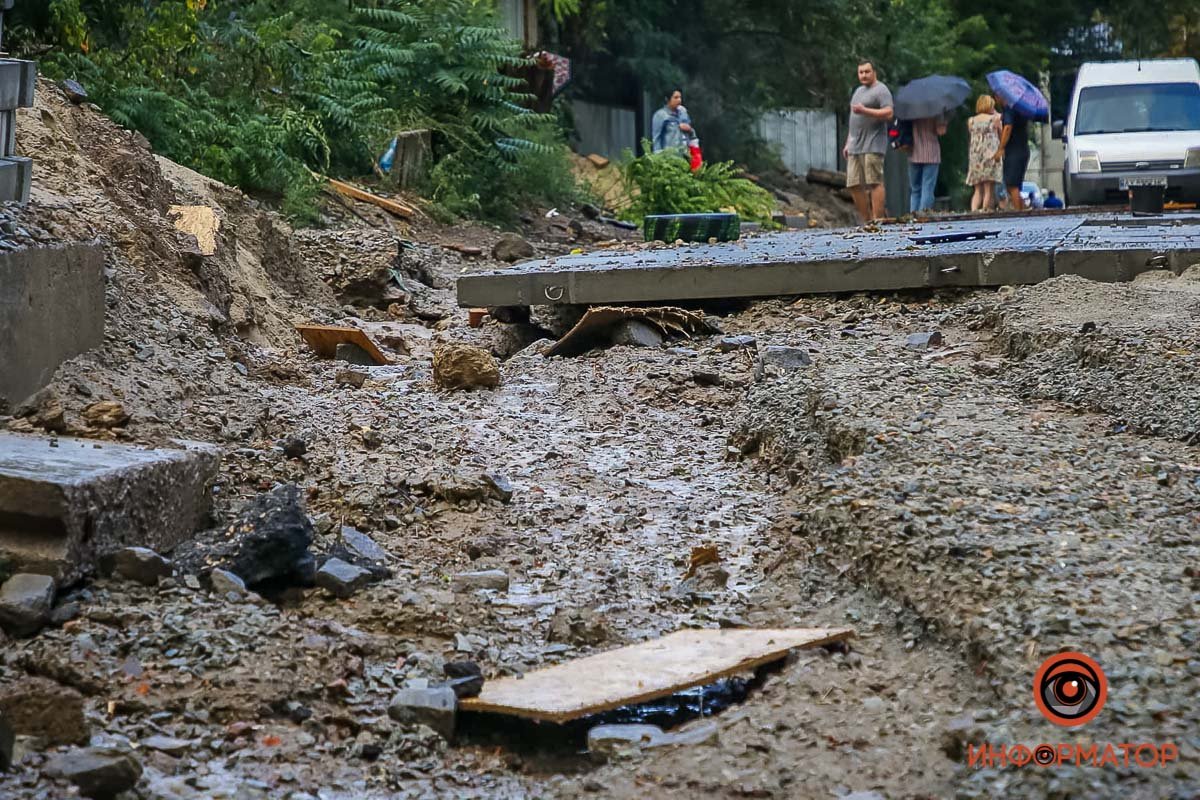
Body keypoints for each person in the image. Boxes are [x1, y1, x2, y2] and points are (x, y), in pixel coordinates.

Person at [843, 59, 894, 222]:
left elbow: (888, 113)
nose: (864, 75)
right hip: (855, 145)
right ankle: (866, 220)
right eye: (861, 72)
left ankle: (877, 219)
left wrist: (865, 110)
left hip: (873, 144)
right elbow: (853, 120)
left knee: (874, 182)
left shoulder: (881, 90)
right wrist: (848, 142)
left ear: (874, 72)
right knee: (853, 184)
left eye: (867, 72)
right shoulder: (858, 91)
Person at [965, 95, 1002, 212]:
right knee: (988, 188)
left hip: (975, 156)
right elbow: (1001, 135)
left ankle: (973, 211)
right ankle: (985, 211)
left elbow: (972, 137)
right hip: (990, 155)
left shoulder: (971, 121)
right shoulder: (995, 119)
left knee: (977, 189)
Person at [994, 93, 1031, 211]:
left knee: (1012, 185)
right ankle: (1023, 210)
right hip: (1022, 149)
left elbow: (1008, 127)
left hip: (1014, 151)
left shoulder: (1009, 109)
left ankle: (1019, 213)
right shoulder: (1020, 109)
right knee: (1014, 186)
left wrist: (1000, 148)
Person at [908, 116, 947, 213]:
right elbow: (941, 131)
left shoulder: (910, 110)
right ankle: (924, 216)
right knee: (927, 187)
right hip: (931, 153)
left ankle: (913, 216)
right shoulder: (935, 111)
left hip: (913, 152)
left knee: (915, 189)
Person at [651, 90, 694, 155]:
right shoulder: (660, 115)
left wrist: (689, 129)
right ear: (667, 99)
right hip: (669, 157)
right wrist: (659, 158)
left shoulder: (683, 113)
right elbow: (656, 139)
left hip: (686, 156)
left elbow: (692, 134)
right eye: (676, 97)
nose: (679, 100)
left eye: (680, 97)